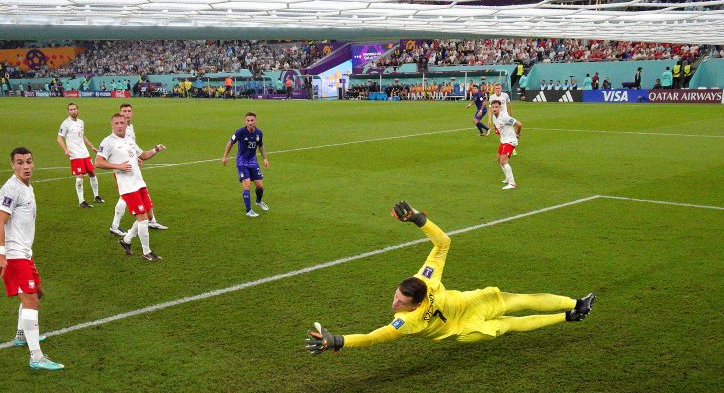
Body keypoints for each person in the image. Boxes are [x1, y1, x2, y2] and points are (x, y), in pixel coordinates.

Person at [305, 204, 595, 354]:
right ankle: (571, 311)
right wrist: (419, 219)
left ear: (415, 302)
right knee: (513, 313)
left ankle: (574, 308)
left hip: (468, 316)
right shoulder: (426, 281)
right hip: (466, 315)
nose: (395, 303)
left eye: (401, 302)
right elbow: (442, 243)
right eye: (396, 296)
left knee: (515, 309)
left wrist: (339, 341)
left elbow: (371, 338)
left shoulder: (408, 321)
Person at [0, 147, 64, 371]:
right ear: (13, 165)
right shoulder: (11, 188)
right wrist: (0, 253)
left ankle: (22, 335)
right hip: (13, 255)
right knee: (31, 301)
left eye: (29, 162)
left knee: (37, 293)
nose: (26, 166)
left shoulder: (27, 186)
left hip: (25, 253)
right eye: (20, 162)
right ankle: (36, 357)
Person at [94, 113, 166, 262]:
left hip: (139, 183)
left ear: (126, 124)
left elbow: (143, 155)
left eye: (122, 123)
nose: (120, 125)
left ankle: (126, 240)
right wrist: (117, 166)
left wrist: (155, 150)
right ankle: (147, 252)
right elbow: (98, 162)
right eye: (117, 123)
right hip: (127, 187)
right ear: (112, 125)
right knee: (142, 218)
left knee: (148, 215)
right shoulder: (108, 142)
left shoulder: (129, 140)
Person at [109, 103, 167, 235]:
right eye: (124, 111)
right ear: (120, 113)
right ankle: (115, 226)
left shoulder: (130, 127)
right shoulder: (120, 129)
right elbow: (116, 148)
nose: (127, 113)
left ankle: (151, 221)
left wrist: (136, 157)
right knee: (124, 197)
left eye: (129, 111)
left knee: (141, 193)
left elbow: (131, 147)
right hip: (124, 169)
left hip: (133, 167)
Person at [221, 112, 270, 217]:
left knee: (260, 186)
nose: (250, 122)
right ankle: (248, 211)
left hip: (253, 161)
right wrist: (224, 157)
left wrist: (265, 158)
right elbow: (230, 143)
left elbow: (260, 146)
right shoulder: (240, 132)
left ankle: (258, 201)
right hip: (242, 162)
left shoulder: (259, 133)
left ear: (255, 121)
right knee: (247, 185)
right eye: (248, 121)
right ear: (245, 121)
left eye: (252, 120)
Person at [57, 102, 103, 209]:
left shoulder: (81, 122)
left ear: (78, 109)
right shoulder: (65, 124)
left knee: (92, 172)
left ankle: (96, 196)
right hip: (75, 154)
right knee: (80, 176)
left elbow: (82, 137)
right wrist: (66, 150)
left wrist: (92, 147)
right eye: (70, 110)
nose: (73, 111)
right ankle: (81, 201)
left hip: (84, 153)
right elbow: (59, 138)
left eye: (74, 109)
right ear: (68, 111)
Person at [490, 100, 520, 190]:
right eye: (493, 107)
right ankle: (507, 178)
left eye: (496, 107)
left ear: (500, 108)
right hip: (503, 140)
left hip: (510, 141)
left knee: (503, 161)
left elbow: (519, 124)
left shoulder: (505, 117)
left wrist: (517, 134)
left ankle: (512, 183)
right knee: (499, 160)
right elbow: (498, 129)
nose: (494, 109)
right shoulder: (494, 117)